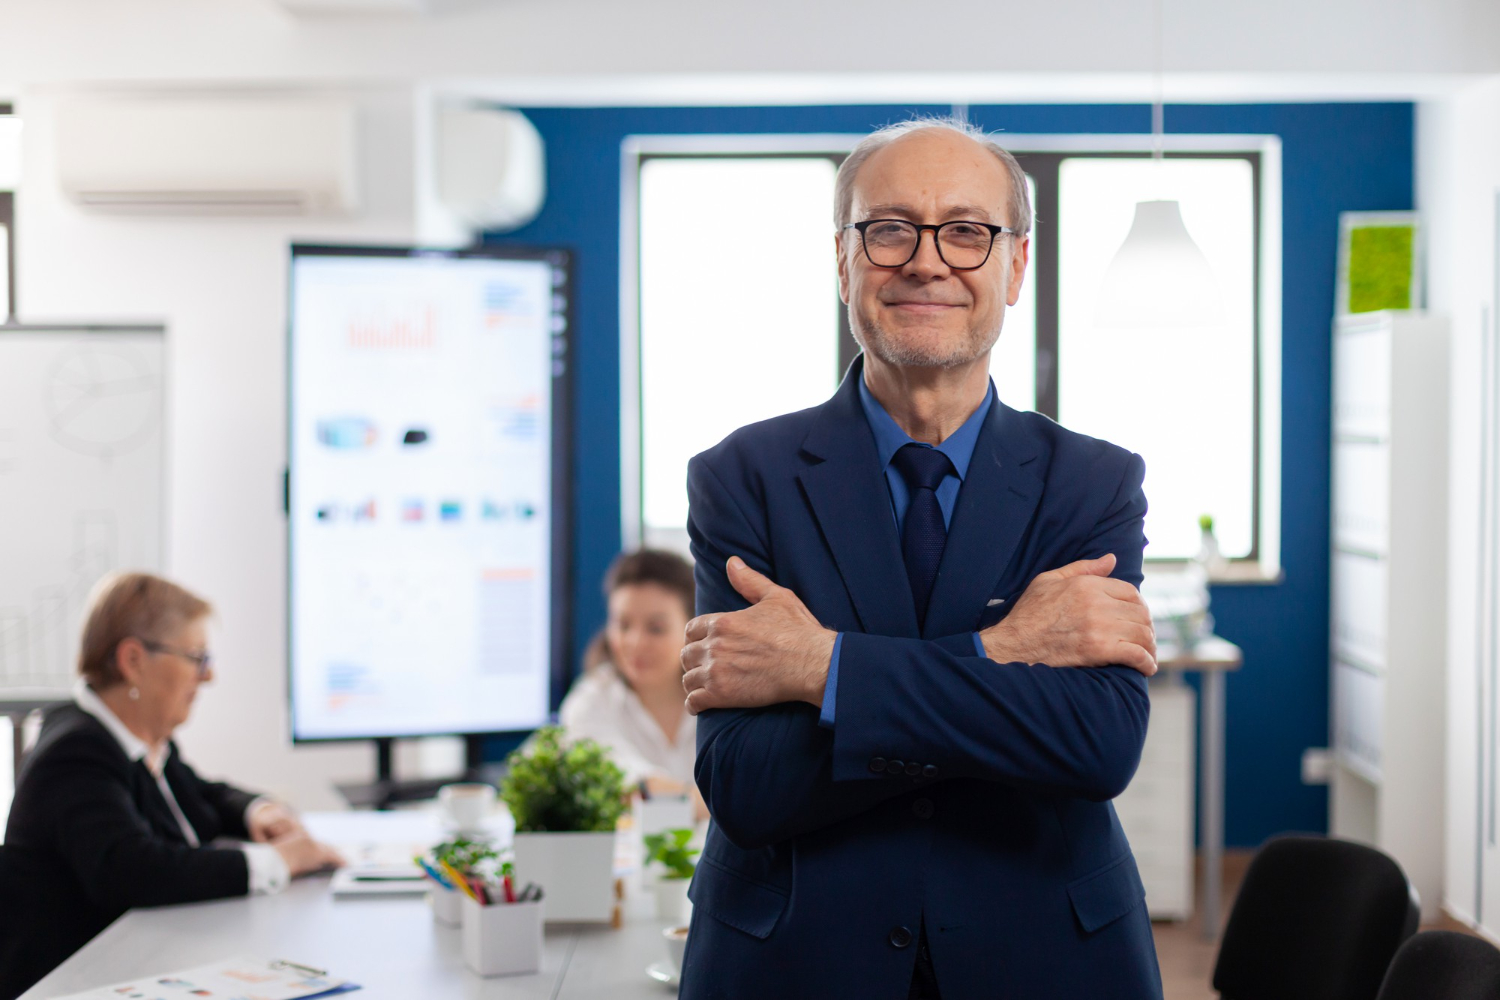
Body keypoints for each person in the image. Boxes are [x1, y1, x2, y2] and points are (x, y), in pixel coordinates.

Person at [677, 118, 1162, 1000]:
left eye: (968, 231)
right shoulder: (741, 477)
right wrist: (999, 658)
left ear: (1015, 267)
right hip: (796, 960)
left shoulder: (1092, 483)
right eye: (890, 227)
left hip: (1048, 956)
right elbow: (747, 782)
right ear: (842, 261)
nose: (927, 261)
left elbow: (1094, 746)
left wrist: (823, 671)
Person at [1, 572, 343, 994]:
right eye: (198, 657)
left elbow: (205, 795)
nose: (208, 677)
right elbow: (135, 870)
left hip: (138, 964)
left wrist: (259, 810)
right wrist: (279, 861)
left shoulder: (140, 741)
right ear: (133, 661)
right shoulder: (74, 753)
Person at [559, 549, 707, 820]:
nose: (635, 642)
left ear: (693, 627)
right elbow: (633, 793)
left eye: (656, 628)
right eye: (623, 625)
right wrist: (721, 804)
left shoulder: (722, 698)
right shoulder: (590, 702)